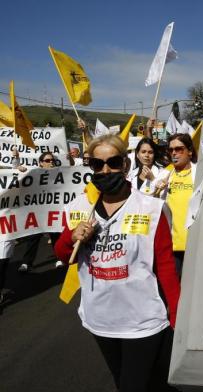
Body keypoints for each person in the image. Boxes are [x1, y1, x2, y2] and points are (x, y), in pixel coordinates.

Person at [54, 134, 180, 392]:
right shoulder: (79, 207)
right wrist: (71, 237)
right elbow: (63, 255)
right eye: (97, 165)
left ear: (125, 163)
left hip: (143, 320)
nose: (105, 170)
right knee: (122, 379)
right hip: (99, 318)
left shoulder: (151, 208)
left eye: (112, 162)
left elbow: (166, 266)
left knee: (135, 385)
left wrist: (177, 317)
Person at [156, 133, 197, 278]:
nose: (174, 153)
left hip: (196, 244)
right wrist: (156, 191)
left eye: (179, 149)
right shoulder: (163, 176)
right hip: (171, 245)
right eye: (171, 150)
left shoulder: (200, 173)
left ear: (190, 151)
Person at [17, 152, 63, 272]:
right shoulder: (34, 174)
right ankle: (27, 263)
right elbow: (20, 175)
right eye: (47, 161)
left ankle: (59, 258)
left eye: (52, 160)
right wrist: (18, 168)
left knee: (55, 235)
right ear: (41, 163)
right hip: (38, 212)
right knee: (33, 237)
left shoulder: (60, 173)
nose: (51, 162)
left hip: (53, 211)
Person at [0, 148, 26, 304]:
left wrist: (18, 166)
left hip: (5, 224)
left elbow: (16, 174)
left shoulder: (5, 173)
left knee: (2, 262)